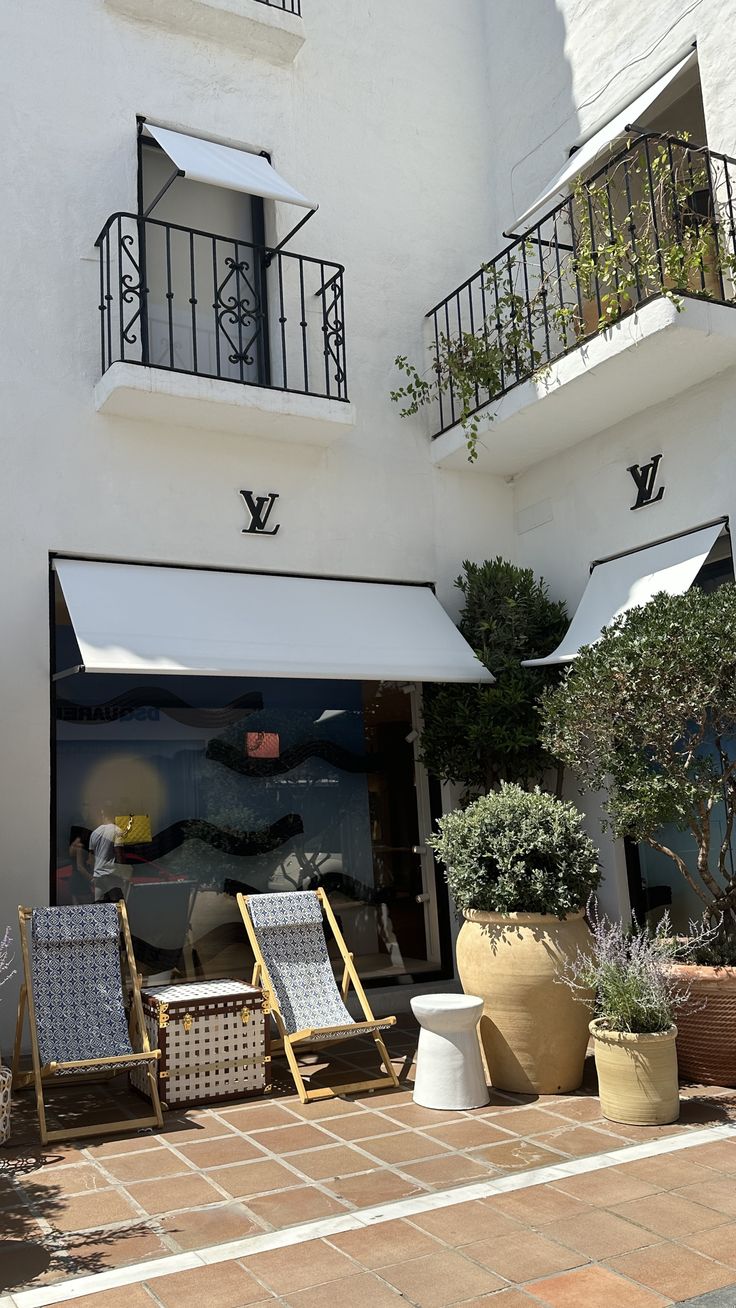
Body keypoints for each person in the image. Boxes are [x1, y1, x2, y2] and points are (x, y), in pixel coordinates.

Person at [88, 805, 134, 902]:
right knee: (118, 906)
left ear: (103, 815)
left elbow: (91, 859)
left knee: (100, 908)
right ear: (114, 815)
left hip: (98, 878)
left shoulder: (94, 833)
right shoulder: (117, 831)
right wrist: (125, 874)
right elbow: (119, 854)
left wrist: (94, 874)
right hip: (112, 877)